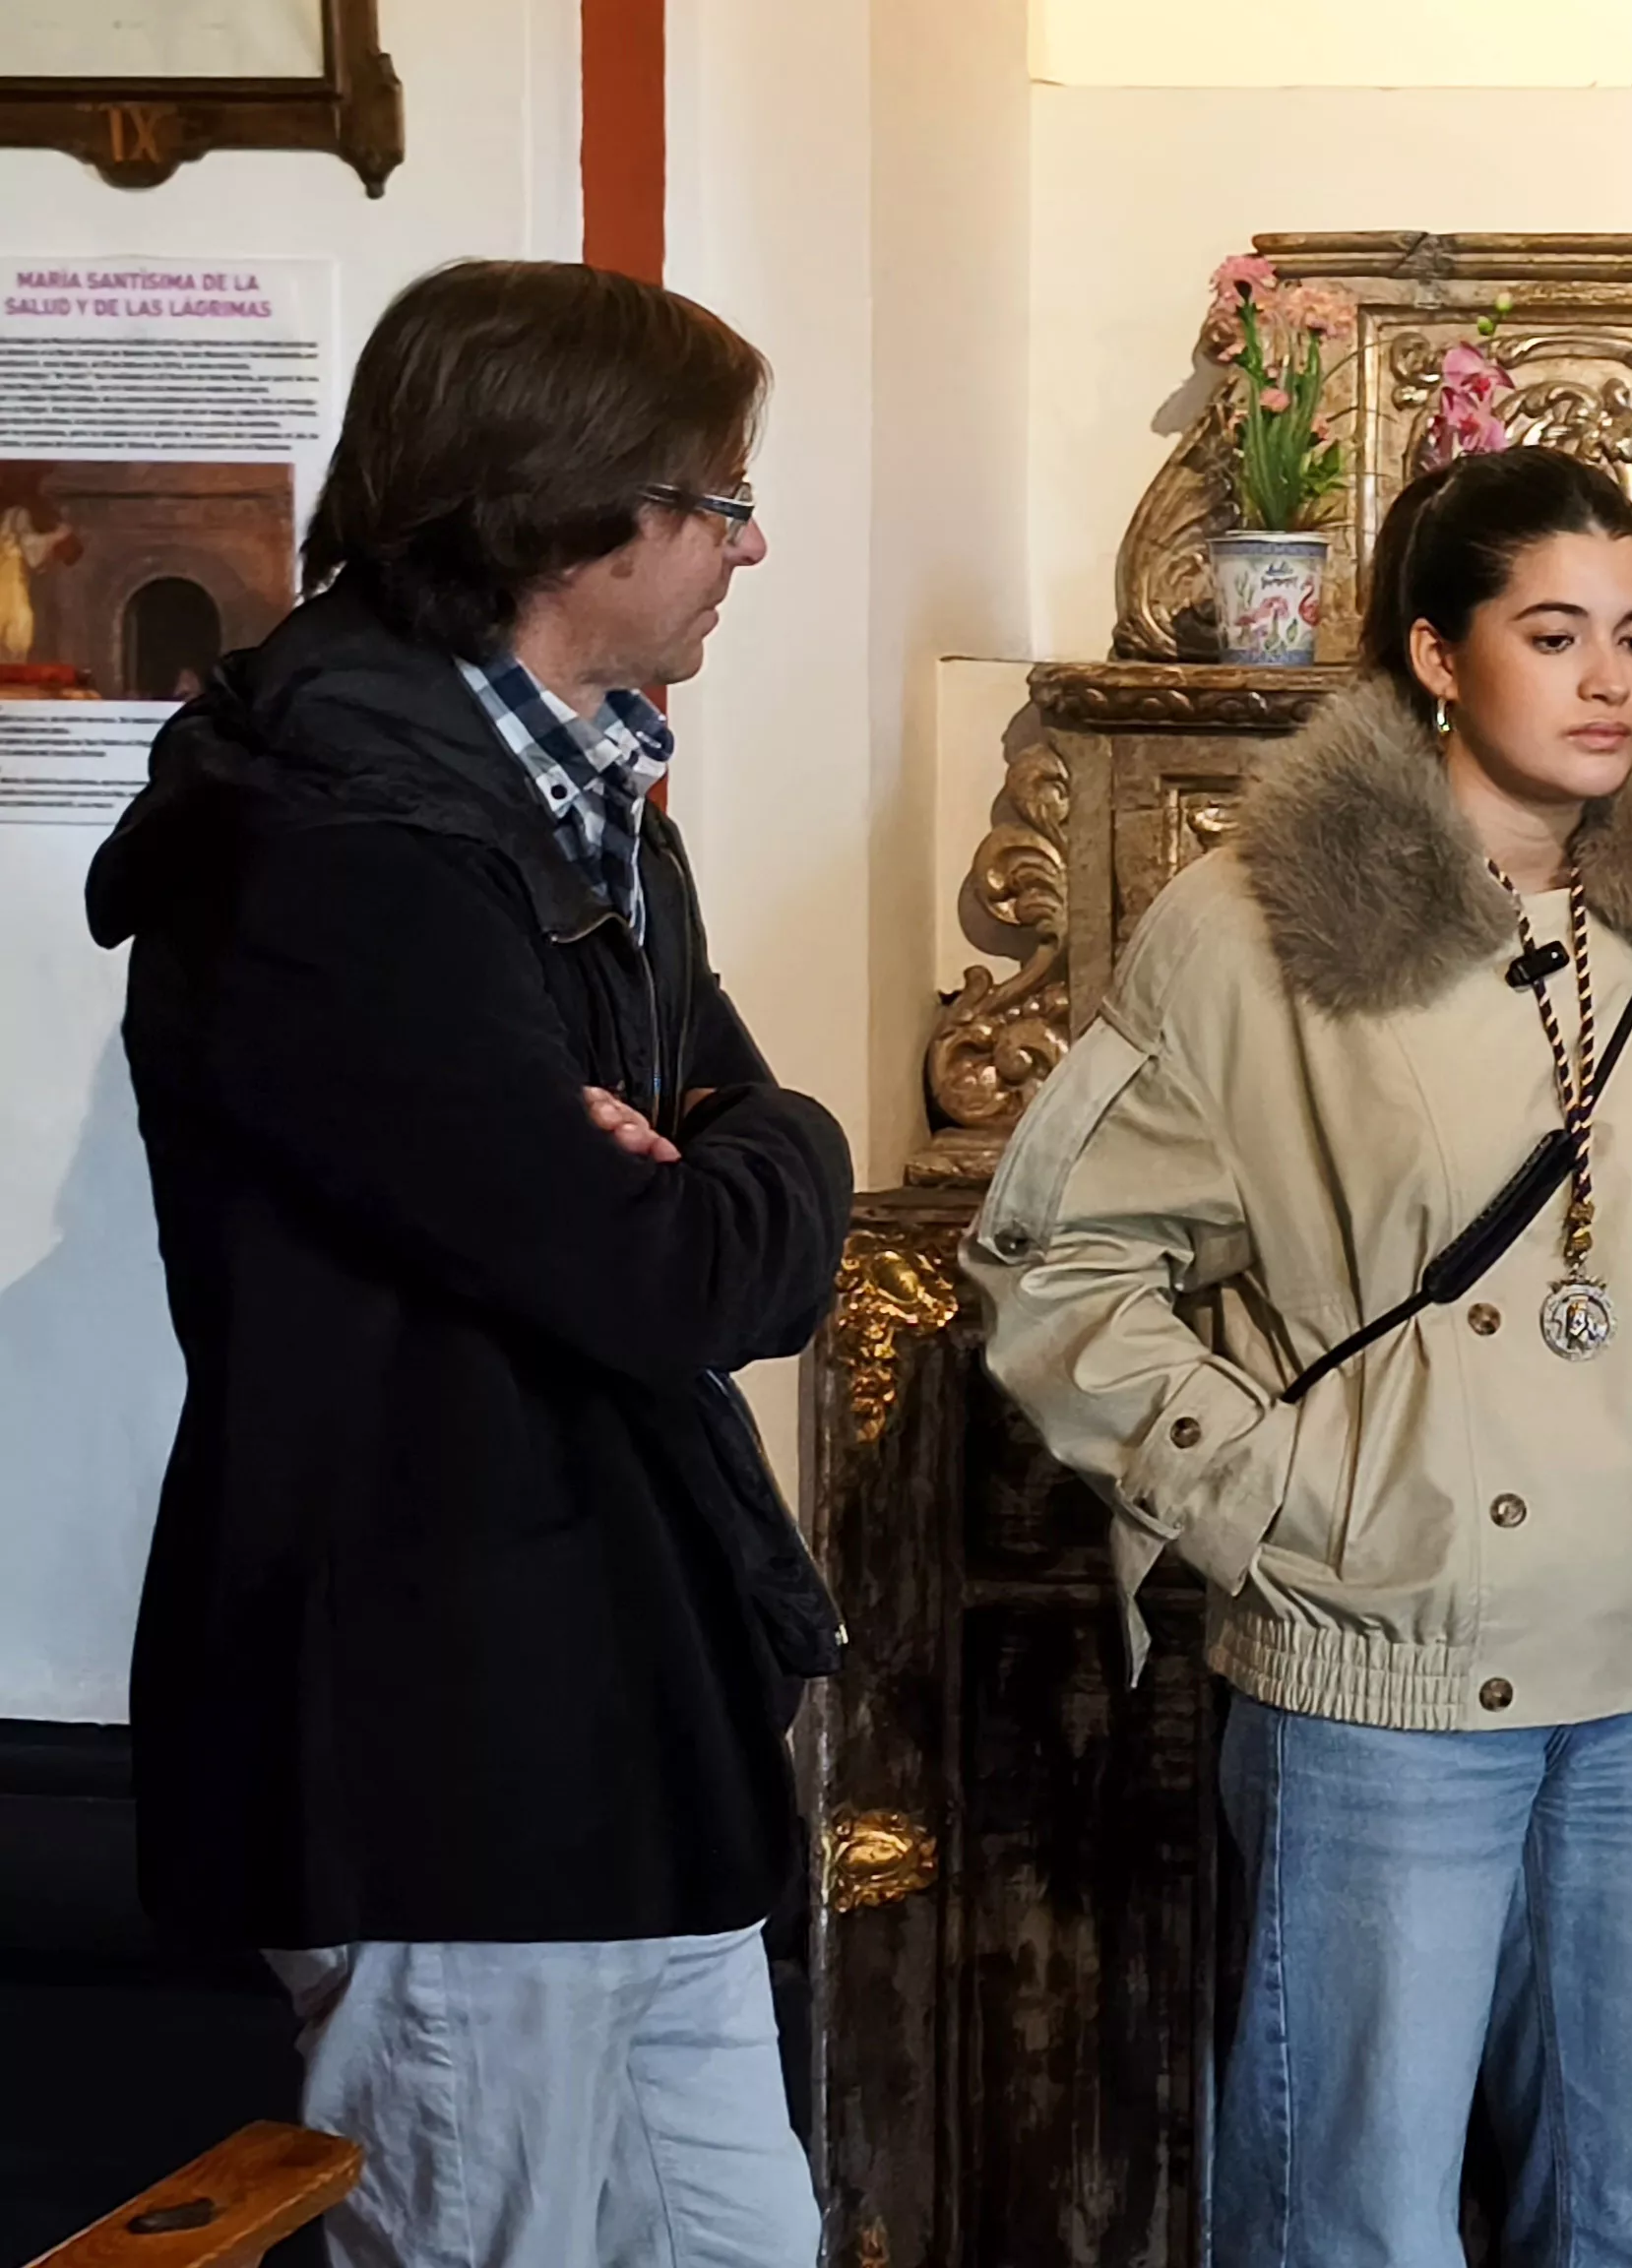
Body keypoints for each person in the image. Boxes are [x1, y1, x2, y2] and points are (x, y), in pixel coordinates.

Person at [967, 446, 1632, 2268]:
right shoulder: (1255, 930)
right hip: (1388, 1672)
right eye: (1552, 634)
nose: (1610, 683)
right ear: (1437, 656)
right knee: (1350, 2215)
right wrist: (1289, 1508)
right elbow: (1060, 1268)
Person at [84, 259, 850, 2267]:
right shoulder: (339, 849)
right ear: (560, 504)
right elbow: (672, 1273)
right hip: (455, 1748)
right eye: (714, 496)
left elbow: (726, 1179)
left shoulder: (574, 789)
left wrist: (751, 1155)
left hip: (613, 1738)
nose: (747, 541)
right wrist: (748, 1166)